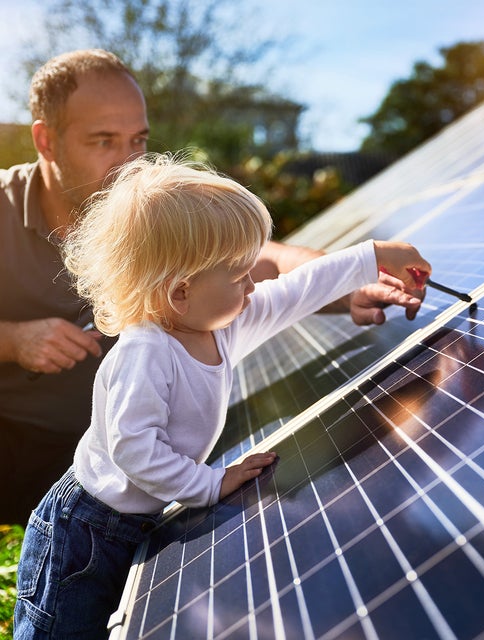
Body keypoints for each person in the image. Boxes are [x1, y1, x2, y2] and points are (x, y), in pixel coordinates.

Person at [13, 154, 431, 639]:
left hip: (132, 517)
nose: (254, 284)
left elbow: (297, 290)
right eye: (239, 275)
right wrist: (210, 485)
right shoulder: (146, 353)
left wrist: (373, 256)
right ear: (180, 292)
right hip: (86, 532)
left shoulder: (221, 324)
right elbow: (134, 450)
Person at [0, 49, 424, 526]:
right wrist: (15, 340)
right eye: (103, 141)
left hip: (150, 457)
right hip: (40, 450)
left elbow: (265, 265)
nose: (127, 163)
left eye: (138, 140)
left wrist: (354, 281)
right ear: (46, 140)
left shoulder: (155, 217)